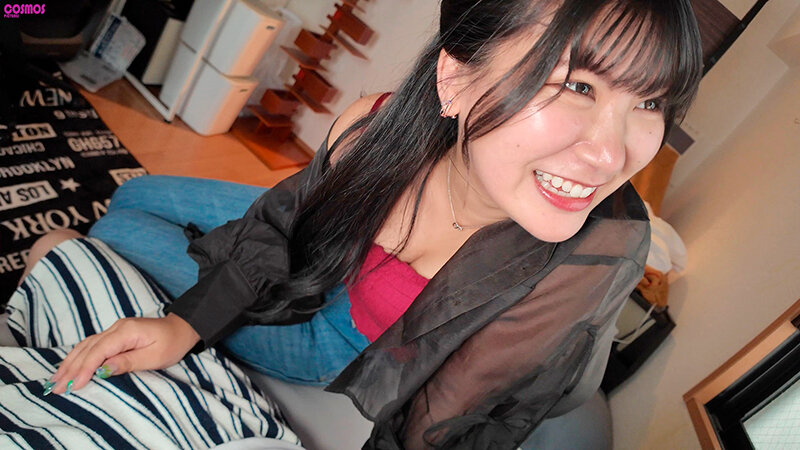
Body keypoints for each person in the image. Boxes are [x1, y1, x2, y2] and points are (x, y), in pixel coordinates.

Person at [2, 0, 703, 448]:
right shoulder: (376, 124)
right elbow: (284, 218)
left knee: (114, 234)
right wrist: (184, 325)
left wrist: (182, 327)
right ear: (455, 81)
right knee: (137, 195)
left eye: (650, 103)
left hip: (343, 339)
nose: (613, 155)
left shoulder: (592, 253)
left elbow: (442, 424)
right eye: (578, 85)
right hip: (325, 251)